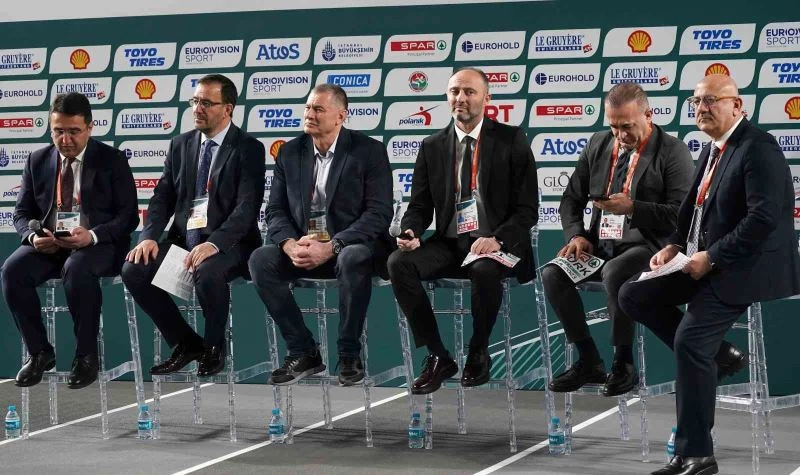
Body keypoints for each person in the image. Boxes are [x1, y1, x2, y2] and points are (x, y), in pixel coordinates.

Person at [619, 74, 800, 475]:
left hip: (745, 266)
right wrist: (674, 245)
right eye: (697, 101)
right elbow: (692, 209)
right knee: (633, 294)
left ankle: (697, 455)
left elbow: (764, 218)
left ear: (737, 106)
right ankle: (719, 355)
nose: (702, 108)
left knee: (689, 342)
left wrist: (713, 257)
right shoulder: (713, 148)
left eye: (711, 100)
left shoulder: (758, 148)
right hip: (703, 259)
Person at [387, 68, 538, 394]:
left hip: (497, 244)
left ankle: (478, 351)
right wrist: (411, 230)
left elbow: (527, 209)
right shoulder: (432, 145)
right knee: (399, 263)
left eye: (469, 91)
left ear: (487, 98)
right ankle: (438, 355)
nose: (461, 98)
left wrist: (496, 238)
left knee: (485, 270)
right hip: (451, 243)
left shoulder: (511, 139)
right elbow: (420, 205)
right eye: (455, 91)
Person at [542, 83, 696, 397]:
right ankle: (588, 360)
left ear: (649, 116)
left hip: (648, 247)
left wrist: (633, 208)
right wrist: (577, 235)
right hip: (601, 245)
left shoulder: (672, 150)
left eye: (627, 126)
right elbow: (571, 199)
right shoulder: (598, 144)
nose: (620, 135)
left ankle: (623, 362)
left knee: (615, 272)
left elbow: (681, 215)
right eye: (614, 126)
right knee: (552, 273)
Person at [249, 84, 393, 387]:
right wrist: (289, 245)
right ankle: (303, 350)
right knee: (261, 259)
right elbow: (275, 210)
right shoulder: (290, 152)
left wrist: (333, 246)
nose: (309, 115)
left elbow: (378, 214)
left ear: (340, 116)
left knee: (353, 256)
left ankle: (349, 354)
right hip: (304, 247)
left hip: (349, 248)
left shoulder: (368, 151)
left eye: (318, 109)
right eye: (307, 108)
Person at [122, 74, 265, 377]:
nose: (198, 108)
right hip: (185, 239)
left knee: (208, 271)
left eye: (207, 103)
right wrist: (148, 236)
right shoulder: (180, 144)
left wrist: (214, 244)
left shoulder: (248, 148)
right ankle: (185, 342)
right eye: (195, 101)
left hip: (231, 244)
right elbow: (162, 197)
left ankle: (214, 348)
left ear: (227, 109)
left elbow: (246, 209)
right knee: (134, 268)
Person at [0, 92, 138, 389]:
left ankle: (86, 356)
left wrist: (92, 235)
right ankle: (39, 352)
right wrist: (33, 236)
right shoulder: (37, 160)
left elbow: (128, 217)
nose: (65, 140)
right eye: (58, 131)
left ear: (90, 127)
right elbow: (21, 213)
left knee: (77, 268)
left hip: (97, 246)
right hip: (51, 245)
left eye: (74, 131)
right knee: (12, 270)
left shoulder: (112, 160)